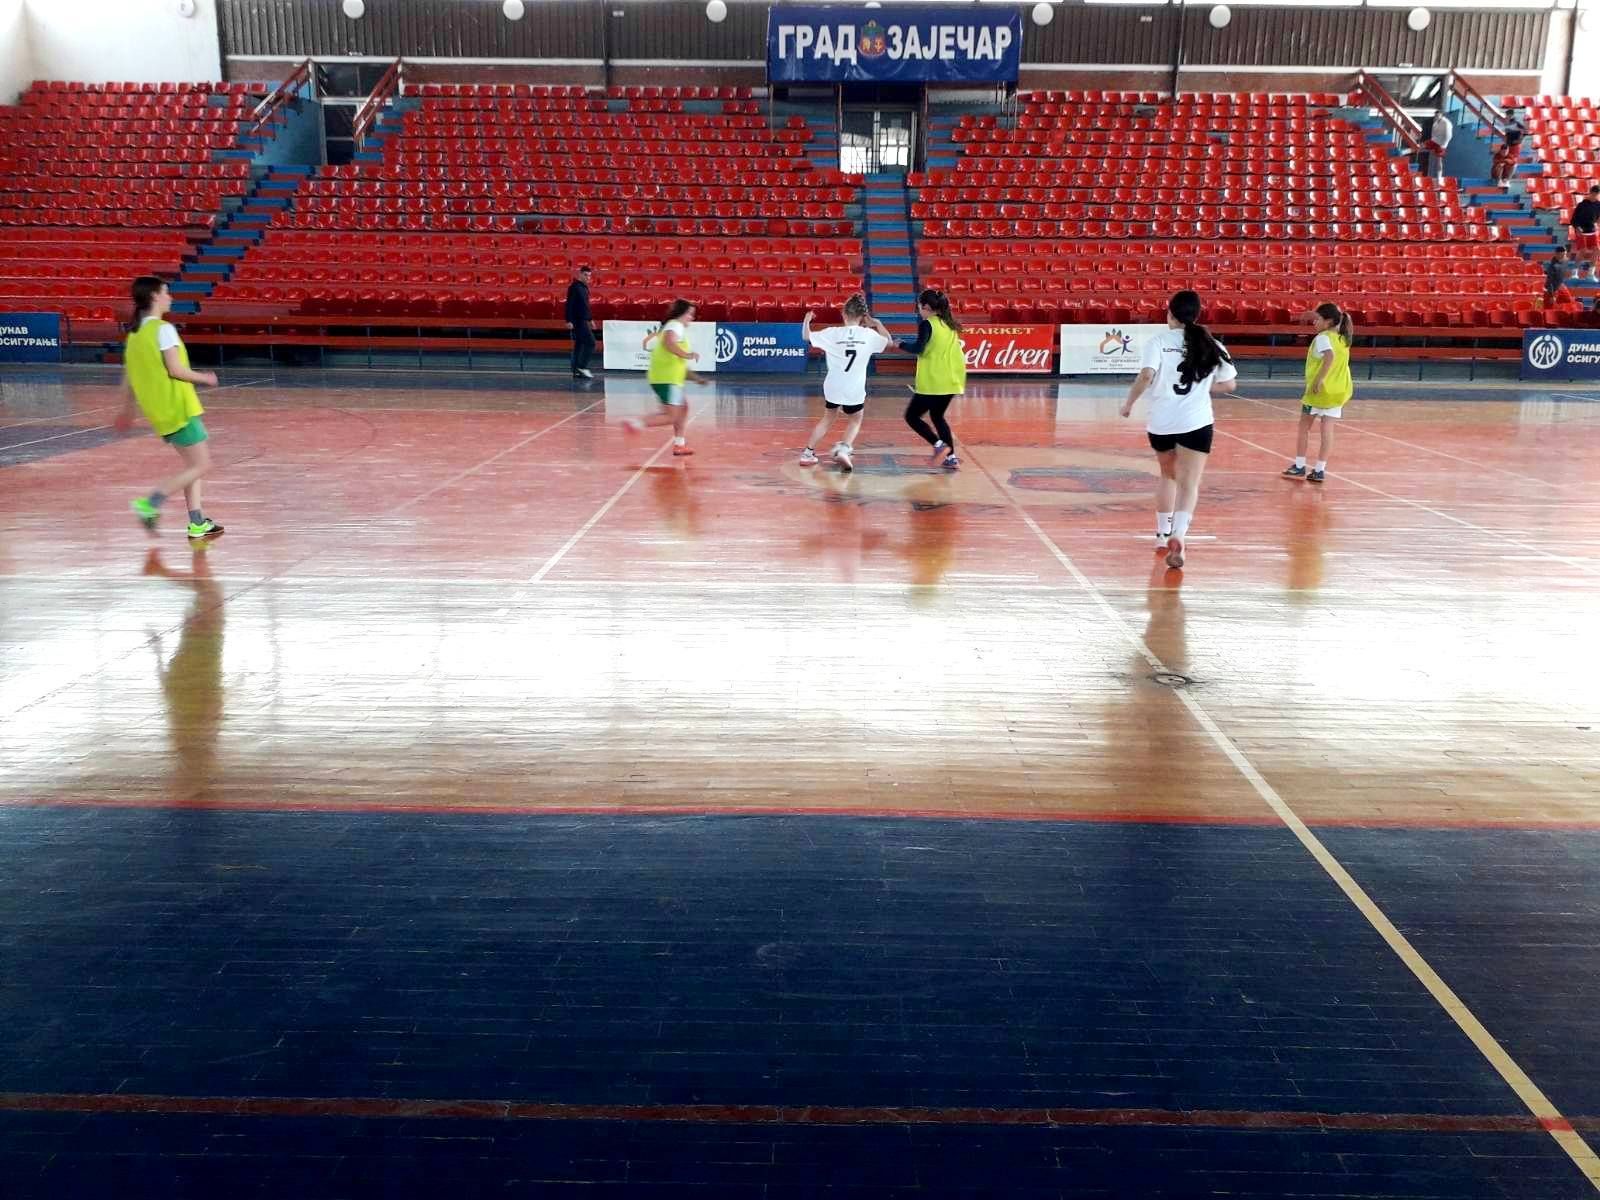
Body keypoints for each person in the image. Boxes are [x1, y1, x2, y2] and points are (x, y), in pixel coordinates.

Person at [1118, 289, 1238, 570]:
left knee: (1167, 476)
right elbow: (1230, 384)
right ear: (1197, 314)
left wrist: (1128, 404)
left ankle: (1162, 534)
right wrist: (1203, 387)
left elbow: (1146, 376)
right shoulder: (1212, 344)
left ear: (1169, 314)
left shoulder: (1159, 341)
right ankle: (1179, 534)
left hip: (1161, 422)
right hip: (1196, 422)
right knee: (1189, 482)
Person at [112, 275, 224, 539]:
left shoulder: (135, 335)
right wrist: (204, 378)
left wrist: (126, 409)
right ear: (154, 296)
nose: (170, 297)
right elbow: (175, 369)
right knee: (202, 465)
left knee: (192, 466)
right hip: (178, 407)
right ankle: (150, 504)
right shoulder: (163, 330)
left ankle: (197, 523)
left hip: (160, 411)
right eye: (166, 292)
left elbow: (129, 376)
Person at [799, 293, 892, 471]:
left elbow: (806, 336)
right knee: (856, 420)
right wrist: (877, 323)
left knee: (828, 418)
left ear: (843, 313)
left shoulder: (832, 333)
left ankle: (807, 453)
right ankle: (844, 448)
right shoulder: (868, 335)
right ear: (863, 317)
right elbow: (889, 343)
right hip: (854, 388)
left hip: (833, 386)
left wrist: (807, 320)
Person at [1282, 302, 1354, 485]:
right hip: (1339, 391)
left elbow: (1329, 356)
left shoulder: (1323, 338)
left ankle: (1299, 466)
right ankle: (1320, 470)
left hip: (1319, 391)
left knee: (1303, 427)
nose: (1314, 323)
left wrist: (1319, 379)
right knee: (1327, 430)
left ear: (1328, 321)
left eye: (1317, 319)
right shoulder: (1343, 339)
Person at [895, 288, 967, 470]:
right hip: (951, 380)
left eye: (919, 307)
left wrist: (900, 344)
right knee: (938, 417)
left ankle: (939, 445)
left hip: (933, 381)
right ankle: (951, 458)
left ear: (926, 307)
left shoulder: (927, 324)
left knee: (912, 417)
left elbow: (919, 348)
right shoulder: (949, 324)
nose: (919, 311)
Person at [622, 299, 703, 456]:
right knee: (671, 416)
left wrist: (696, 378)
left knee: (683, 407)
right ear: (681, 313)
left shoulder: (674, 327)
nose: (692, 318)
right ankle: (635, 423)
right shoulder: (675, 326)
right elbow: (669, 343)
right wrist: (688, 354)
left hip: (667, 378)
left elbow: (678, 362)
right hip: (667, 379)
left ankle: (679, 444)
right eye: (690, 314)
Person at [566, 264, 596, 380]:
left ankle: (576, 371)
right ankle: (582, 367)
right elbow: (569, 304)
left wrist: (590, 319)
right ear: (580, 274)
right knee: (591, 342)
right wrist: (568, 320)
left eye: (589, 276)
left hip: (583, 319)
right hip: (578, 320)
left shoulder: (584, 288)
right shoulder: (574, 287)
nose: (588, 277)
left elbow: (585, 306)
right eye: (585, 275)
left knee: (579, 344)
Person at [1568, 185, 1600, 275]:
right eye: (1593, 194)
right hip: (1582, 232)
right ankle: (1574, 273)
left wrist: (1597, 225)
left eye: (1597, 194)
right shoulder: (1582, 205)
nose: (1595, 196)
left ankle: (1591, 273)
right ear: (1590, 193)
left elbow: (1598, 218)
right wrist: (1577, 228)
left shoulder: (1599, 205)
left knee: (1597, 250)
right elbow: (1573, 220)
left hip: (1592, 232)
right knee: (1582, 252)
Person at [1491, 110, 1526, 186]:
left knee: (1511, 162)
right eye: (1507, 115)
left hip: (1515, 145)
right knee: (1504, 162)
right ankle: (1502, 179)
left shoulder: (1516, 123)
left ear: (1511, 115)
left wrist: (1519, 140)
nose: (1507, 117)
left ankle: (1506, 179)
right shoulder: (1509, 123)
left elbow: (1525, 130)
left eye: (1508, 115)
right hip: (1509, 144)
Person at [1425, 109, 1453, 181]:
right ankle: (1430, 175)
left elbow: (1448, 135)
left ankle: (1439, 177)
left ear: (1441, 115)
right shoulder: (1435, 123)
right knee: (1430, 155)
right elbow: (1433, 133)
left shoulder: (1446, 123)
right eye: (1435, 116)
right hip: (1435, 141)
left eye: (1437, 115)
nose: (1436, 117)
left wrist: (1443, 144)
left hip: (1441, 143)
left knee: (1439, 160)